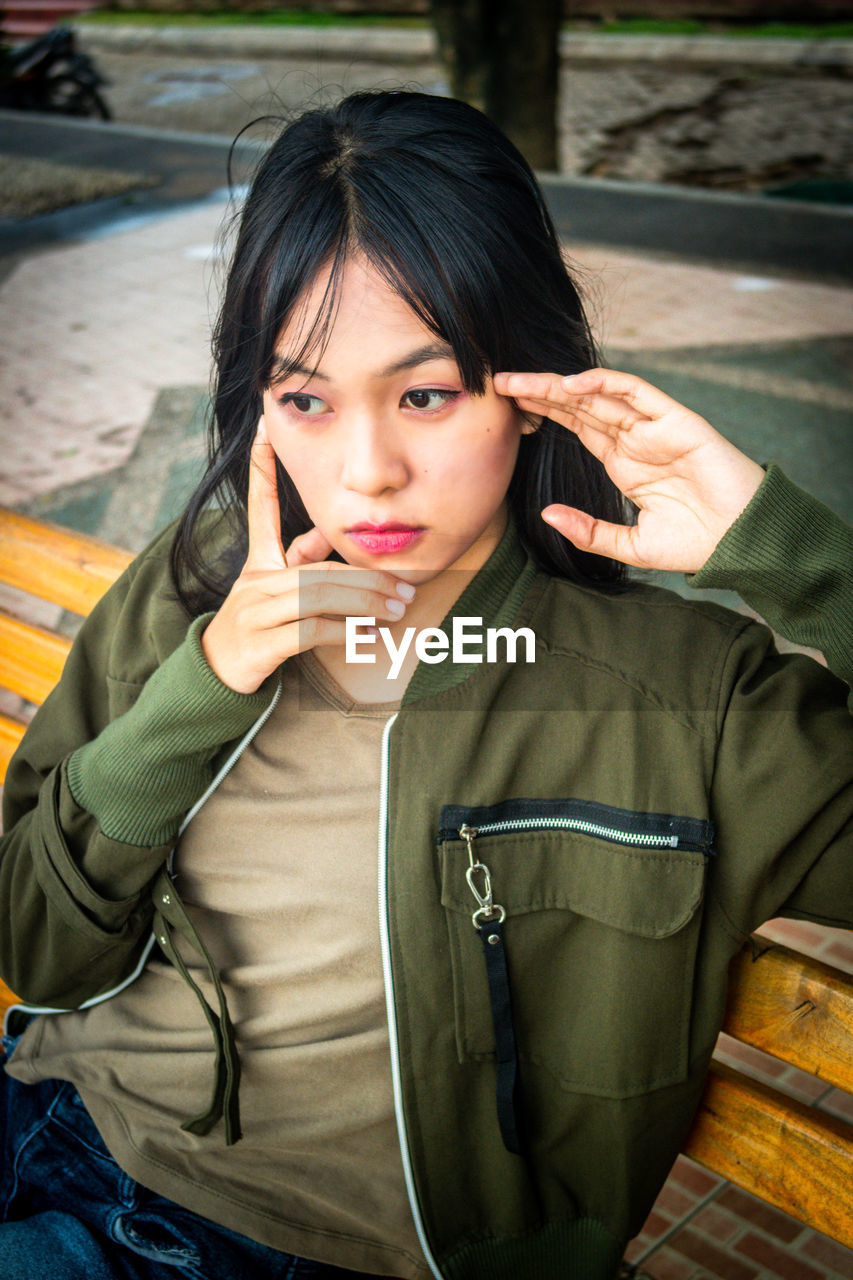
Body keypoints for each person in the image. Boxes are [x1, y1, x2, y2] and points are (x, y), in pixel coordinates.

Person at [0, 89, 850, 1280]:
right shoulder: (196, 589)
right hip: (57, 1121)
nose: (365, 473)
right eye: (304, 398)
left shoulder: (676, 695)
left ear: (530, 378)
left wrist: (792, 551)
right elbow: (40, 951)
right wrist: (205, 685)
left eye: (426, 391)